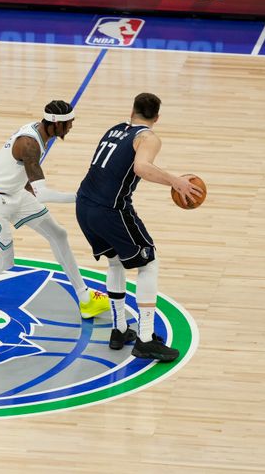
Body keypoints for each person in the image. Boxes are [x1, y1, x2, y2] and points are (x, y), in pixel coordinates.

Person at [0, 100, 110, 320]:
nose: (71, 127)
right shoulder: (30, 144)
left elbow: (24, 177)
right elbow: (43, 194)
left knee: (58, 234)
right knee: (4, 261)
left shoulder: (41, 134)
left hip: (15, 194)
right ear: (56, 124)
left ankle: (86, 300)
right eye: (69, 123)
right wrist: (82, 198)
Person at [76, 93, 203, 362]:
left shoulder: (115, 129)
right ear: (157, 117)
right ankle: (145, 339)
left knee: (115, 263)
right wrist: (175, 181)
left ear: (132, 111)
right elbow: (142, 167)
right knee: (149, 263)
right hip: (110, 210)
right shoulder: (147, 137)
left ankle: (119, 329)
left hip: (84, 205)